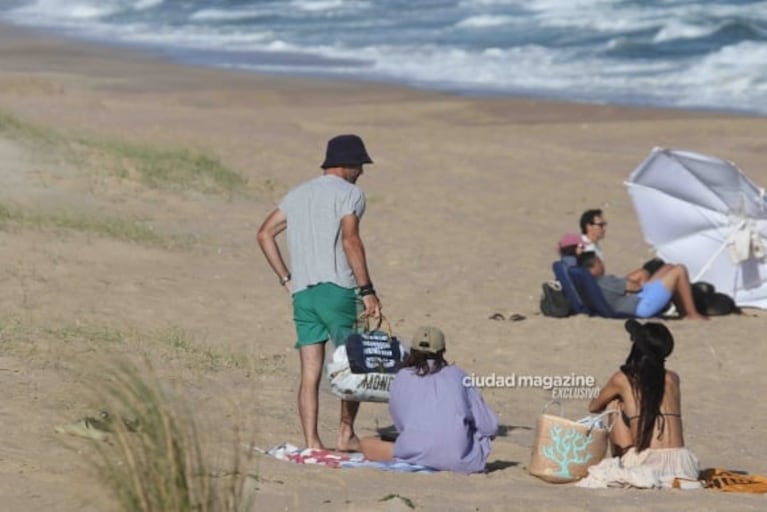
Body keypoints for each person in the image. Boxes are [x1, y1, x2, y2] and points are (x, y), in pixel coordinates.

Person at [256, 134, 382, 452]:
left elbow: (264, 234)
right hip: (339, 289)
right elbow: (351, 241)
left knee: (309, 372)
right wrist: (368, 291)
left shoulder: (297, 195)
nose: (362, 172)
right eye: (360, 165)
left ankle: (312, 441)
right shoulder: (350, 194)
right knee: (354, 365)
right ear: (347, 164)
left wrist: (286, 278)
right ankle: (345, 433)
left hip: (303, 293)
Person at [577, 319, 700, 488]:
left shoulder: (623, 378)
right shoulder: (673, 379)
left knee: (614, 403)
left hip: (648, 463)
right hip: (683, 465)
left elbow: (594, 407)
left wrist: (622, 402)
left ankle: (622, 457)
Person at [360, 326, 499, 473]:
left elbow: (400, 422)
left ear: (412, 350)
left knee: (366, 443)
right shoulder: (458, 375)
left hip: (415, 451)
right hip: (461, 460)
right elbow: (489, 426)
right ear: (442, 351)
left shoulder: (402, 376)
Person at [577, 251, 706, 320]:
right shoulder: (603, 281)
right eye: (599, 262)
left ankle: (683, 310)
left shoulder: (589, 284)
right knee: (680, 269)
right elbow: (635, 287)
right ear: (593, 266)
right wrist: (631, 288)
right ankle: (692, 314)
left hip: (636, 300)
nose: (602, 264)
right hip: (642, 305)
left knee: (668, 267)